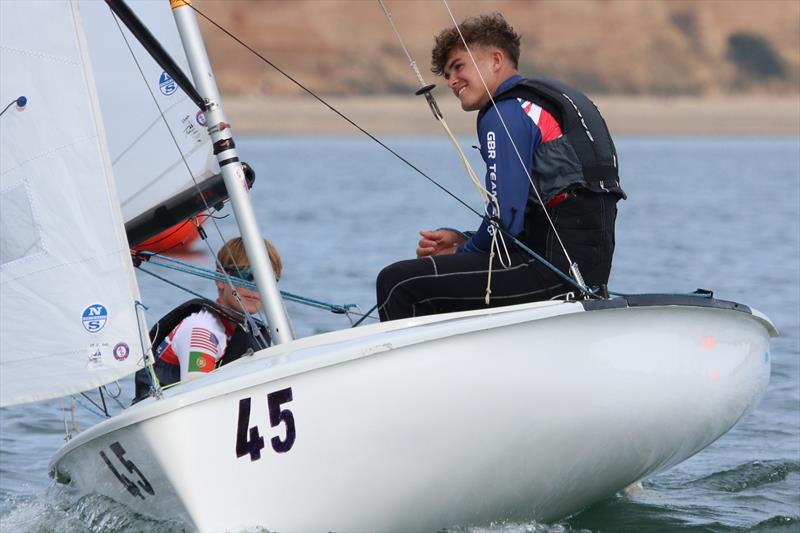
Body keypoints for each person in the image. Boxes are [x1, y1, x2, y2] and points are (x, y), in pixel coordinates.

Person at [376, 13, 625, 321]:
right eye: (447, 74)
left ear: (495, 60)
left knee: (400, 282)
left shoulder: (504, 112)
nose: (452, 81)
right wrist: (464, 238)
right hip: (586, 273)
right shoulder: (545, 100)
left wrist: (462, 253)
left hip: (552, 274)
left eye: (458, 67)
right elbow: (529, 220)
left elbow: (506, 220)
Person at [133, 237, 281, 403]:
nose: (255, 287)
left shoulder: (253, 331)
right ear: (220, 279)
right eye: (246, 275)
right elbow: (199, 401)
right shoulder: (202, 331)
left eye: (266, 279)